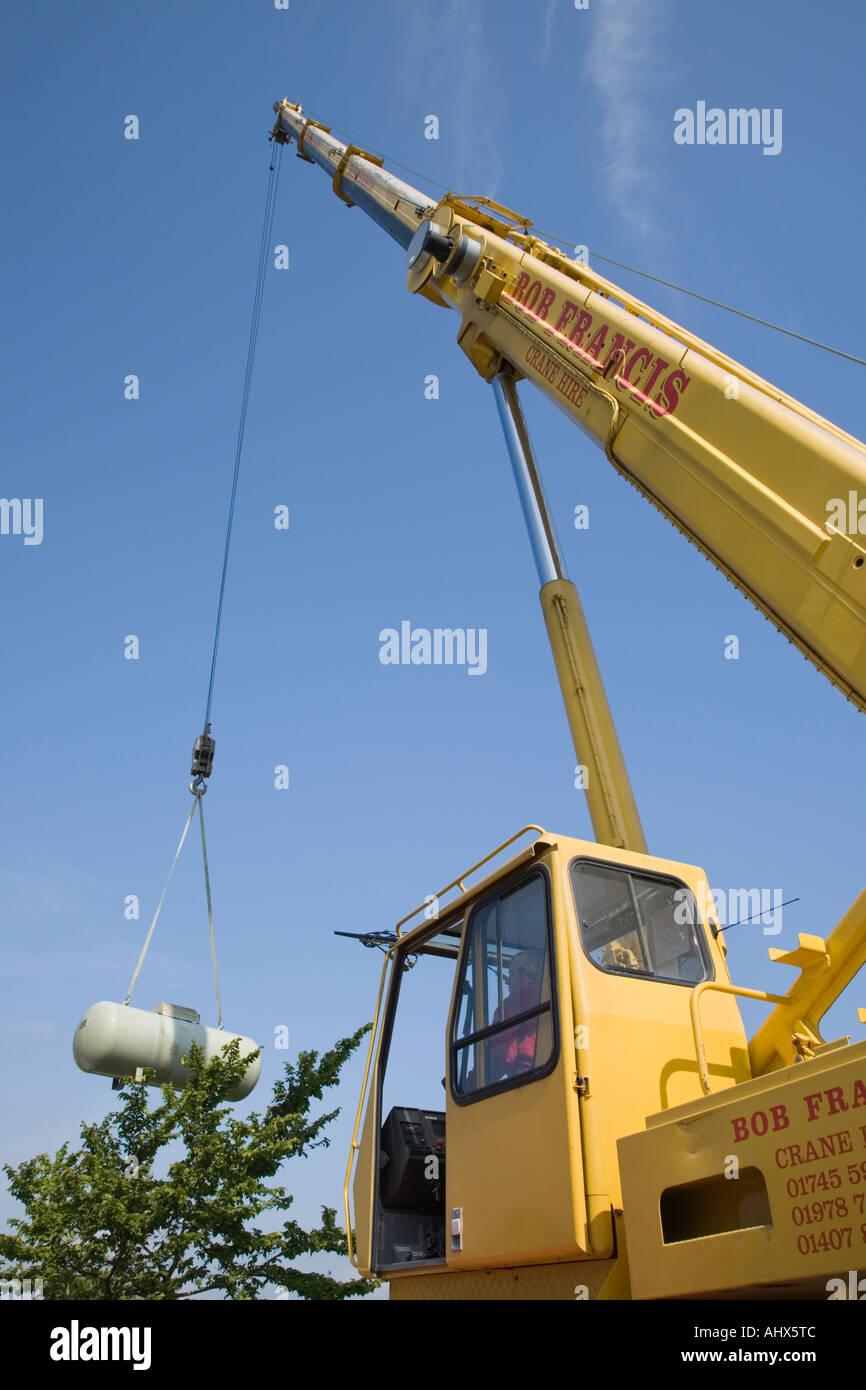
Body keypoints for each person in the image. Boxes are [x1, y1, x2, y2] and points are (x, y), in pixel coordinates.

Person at [487, 949, 544, 1081]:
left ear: (529, 977)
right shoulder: (553, 996)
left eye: (511, 974)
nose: (507, 981)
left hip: (525, 1081)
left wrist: (466, 1085)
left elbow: (497, 1055)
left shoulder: (509, 1006)